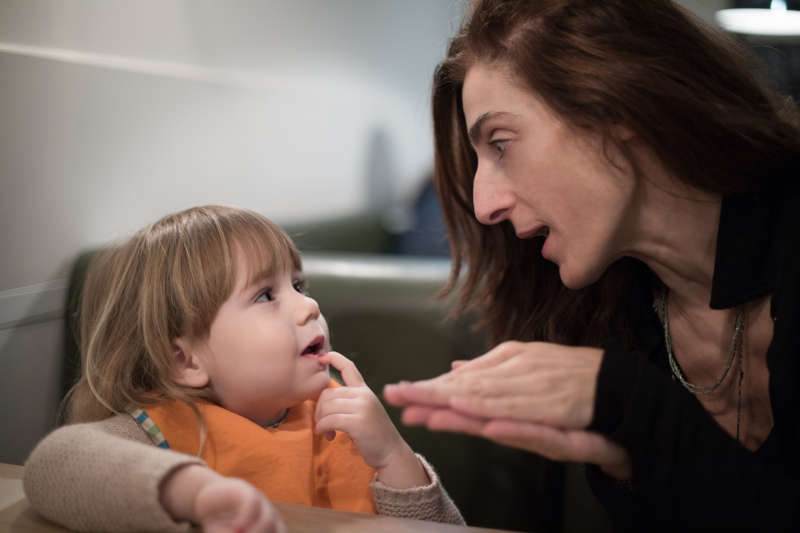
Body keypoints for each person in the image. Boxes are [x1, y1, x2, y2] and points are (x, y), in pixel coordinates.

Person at [383, 0, 800, 530]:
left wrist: (630, 406)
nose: (484, 204)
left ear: (616, 109)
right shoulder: (606, 312)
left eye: (502, 144)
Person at [23, 205, 464, 532]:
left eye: (298, 285)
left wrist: (392, 456)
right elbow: (51, 464)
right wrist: (196, 495)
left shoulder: (342, 418)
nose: (309, 305)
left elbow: (447, 528)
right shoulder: (159, 432)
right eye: (266, 296)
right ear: (187, 360)